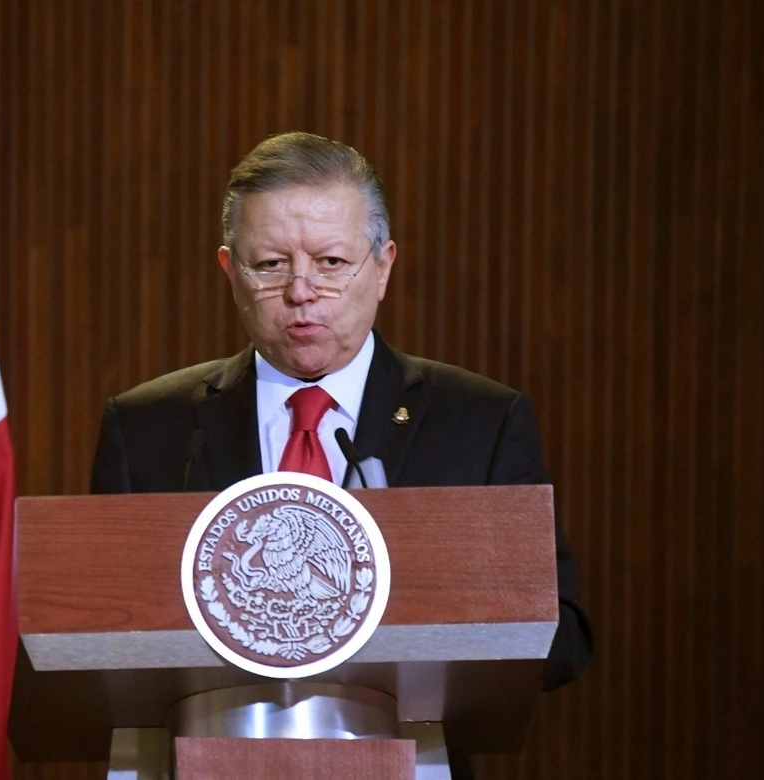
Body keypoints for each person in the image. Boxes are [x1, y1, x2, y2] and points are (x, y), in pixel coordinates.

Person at [91, 131, 592, 695]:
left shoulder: (482, 423)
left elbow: (561, 640)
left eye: (331, 262)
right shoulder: (146, 429)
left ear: (382, 267)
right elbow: (95, 631)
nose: (301, 291)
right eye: (272, 264)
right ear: (231, 273)